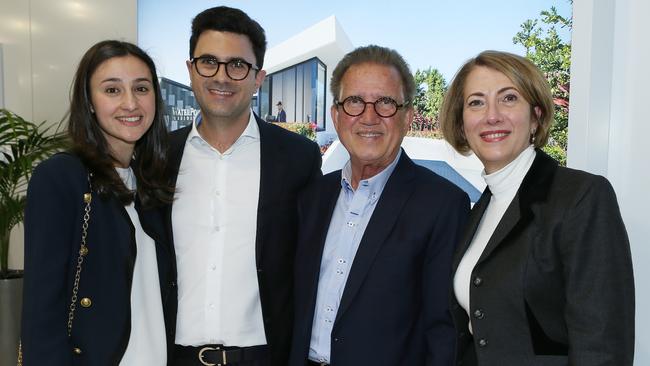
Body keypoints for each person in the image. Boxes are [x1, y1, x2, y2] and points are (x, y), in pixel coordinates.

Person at [440, 50, 635, 365]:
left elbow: (601, 349)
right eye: (476, 102)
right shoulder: (480, 210)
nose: (492, 115)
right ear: (462, 125)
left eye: (509, 98)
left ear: (537, 116)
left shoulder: (581, 197)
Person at [289, 45, 470, 366]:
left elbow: (444, 331)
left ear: (407, 116)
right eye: (355, 102)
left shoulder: (443, 204)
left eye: (385, 102)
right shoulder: (312, 197)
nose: (369, 117)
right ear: (336, 115)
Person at [166, 6, 322, 366]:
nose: (222, 76)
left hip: (265, 358)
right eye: (208, 62)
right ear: (190, 70)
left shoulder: (298, 158)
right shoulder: (158, 158)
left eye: (237, 65)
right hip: (172, 357)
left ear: (258, 78)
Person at [21, 40, 176, 365]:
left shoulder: (153, 180)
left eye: (142, 88)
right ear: (89, 102)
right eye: (112, 90)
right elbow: (41, 307)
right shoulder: (62, 177)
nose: (130, 103)